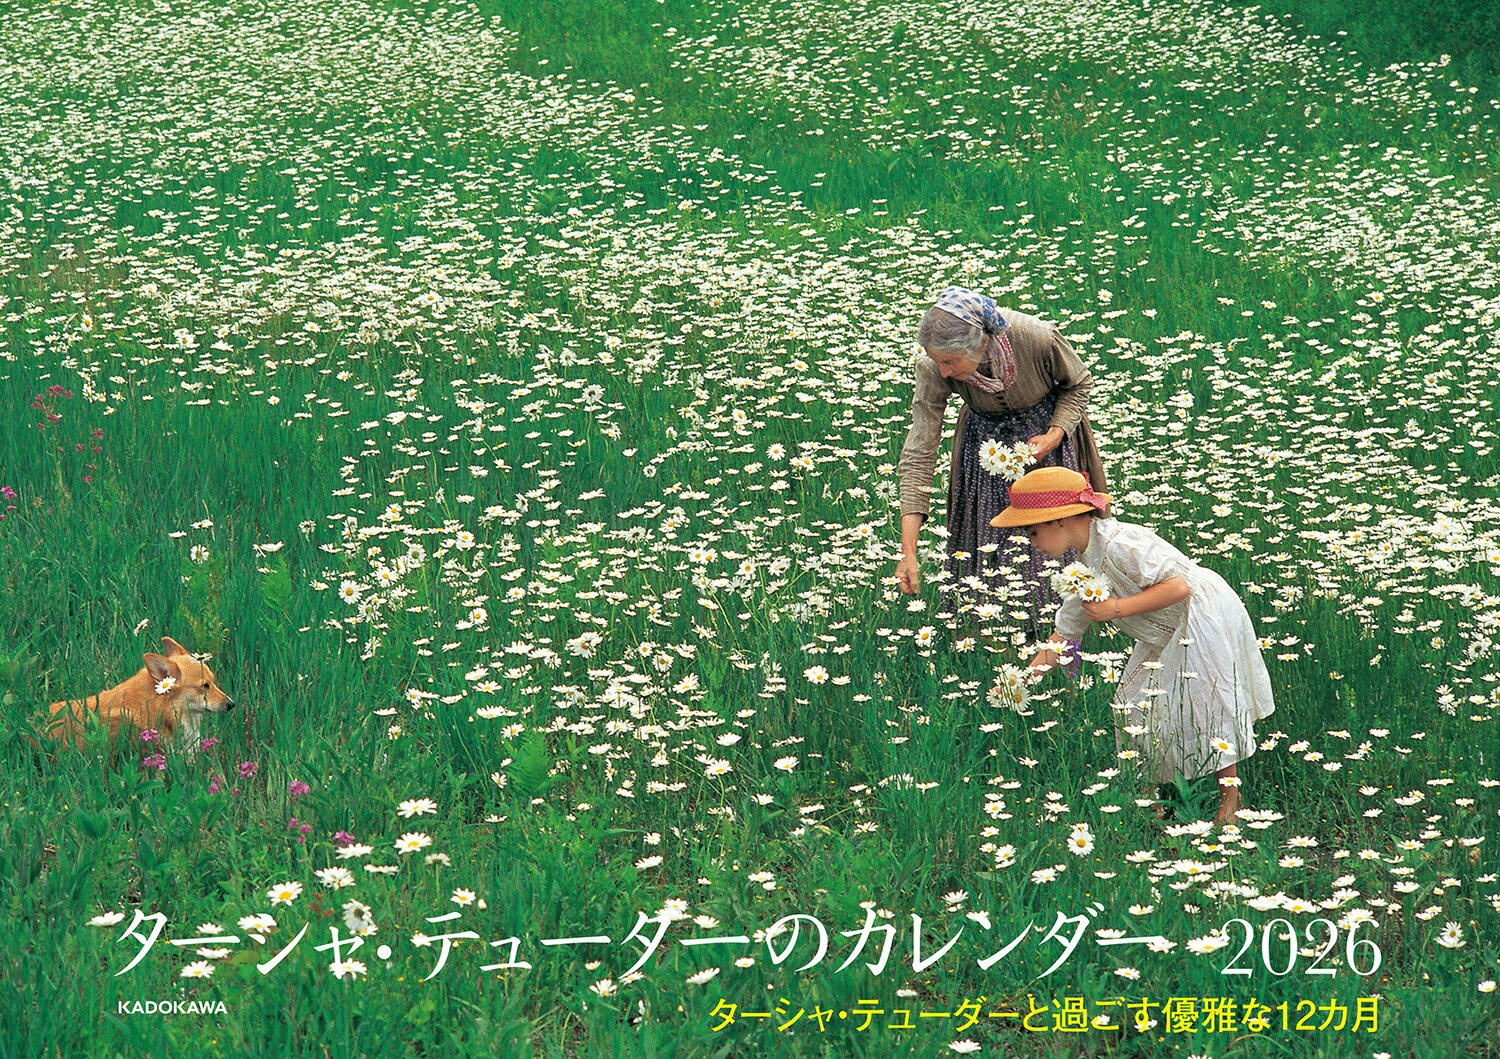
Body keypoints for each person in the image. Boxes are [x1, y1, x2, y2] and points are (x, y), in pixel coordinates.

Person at [995, 467, 1276, 825]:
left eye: (1033, 531)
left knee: (1208, 706)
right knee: (1132, 704)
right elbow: (1065, 635)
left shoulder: (1121, 543)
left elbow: (1180, 586)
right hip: (1165, 630)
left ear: (1060, 520)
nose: (1031, 542)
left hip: (1202, 616)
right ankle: (1150, 800)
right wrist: (1021, 681)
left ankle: (1229, 804)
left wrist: (1116, 608)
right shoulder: (1084, 568)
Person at [895, 287, 1106, 630]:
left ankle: (1069, 630)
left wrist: (1055, 433)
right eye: (938, 361)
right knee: (989, 553)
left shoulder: (1036, 337)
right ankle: (993, 636)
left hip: (1051, 448)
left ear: (980, 345)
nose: (943, 372)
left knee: (1057, 542)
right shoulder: (934, 366)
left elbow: (1078, 384)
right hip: (984, 453)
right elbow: (920, 449)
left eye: (950, 362)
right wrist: (909, 551)